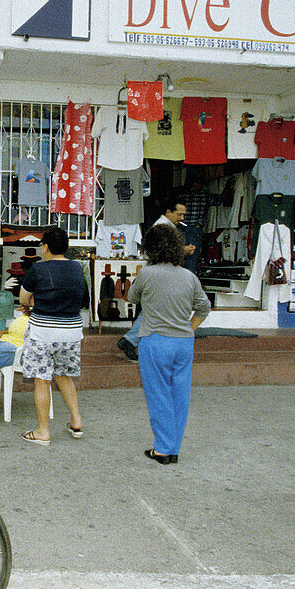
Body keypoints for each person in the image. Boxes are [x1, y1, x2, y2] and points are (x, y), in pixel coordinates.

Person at [127, 224, 211, 464]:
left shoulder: (147, 273)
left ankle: (163, 449)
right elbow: (204, 308)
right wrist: (189, 328)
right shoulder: (189, 277)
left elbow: (132, 297)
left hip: (155, 340)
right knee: (179, 396)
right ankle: (172, 447)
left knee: (158, 395)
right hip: (184, 342)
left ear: (150, 248)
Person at [19, 226, 85, 445]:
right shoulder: (77, 268)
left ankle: (43, 431)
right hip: (72, 333)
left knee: (42, 380)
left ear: (45, 247)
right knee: (64, 376)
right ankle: (76, 422)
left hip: (43, 332)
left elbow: (23, 298)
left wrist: (31, 306)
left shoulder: (38, 269)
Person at [118, 199, 197, 361]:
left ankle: (130, 339)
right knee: (154, 308)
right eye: (179, 214)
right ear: (168, 212)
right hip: (159, 270)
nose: (182, 217)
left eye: (183, 214)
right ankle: (129, 339)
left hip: (159, 270)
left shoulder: (167, 226)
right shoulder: (162, 227)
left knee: (153, 308)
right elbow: (160, 251)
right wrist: (183, 250)